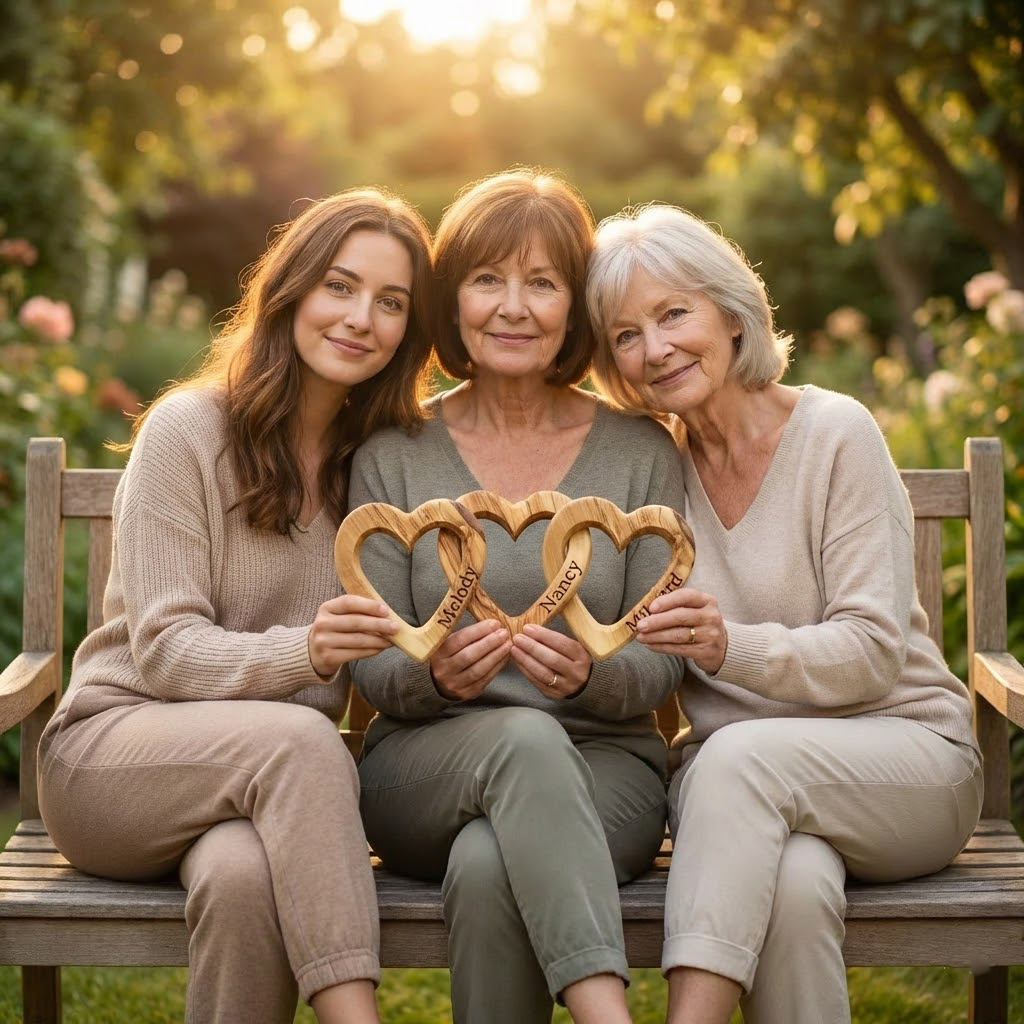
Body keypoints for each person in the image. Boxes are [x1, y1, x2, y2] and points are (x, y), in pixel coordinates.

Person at [36, 186, 435, 1024]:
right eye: (340, 285)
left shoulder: (376, 468)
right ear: (291, 290)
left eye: (390, 301)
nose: (361, 317)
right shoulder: (188, 431)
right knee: (298, 735)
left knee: (244, 878)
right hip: (112, 758)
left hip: (257, 790)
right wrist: (309, 652)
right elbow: (167, 654)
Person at [585, 202, 984, 1024]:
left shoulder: (837, 432)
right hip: (753, 797)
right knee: (796, 888)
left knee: (736, 760)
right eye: (626, 334)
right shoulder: (652, 472)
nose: (655, 349)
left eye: (673, 313)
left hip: (906, 762)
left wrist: (732, 647)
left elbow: (875, 652)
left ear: (731, 313)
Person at [348, 168, 685, 1024]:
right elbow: (372, 658)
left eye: (542, 283)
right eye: (488, 278)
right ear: (452, 299)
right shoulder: (395, 450)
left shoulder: (640, 451)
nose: (513, 307)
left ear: (575, 307)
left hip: (606, 769)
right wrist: (433, 678)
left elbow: (662, 656)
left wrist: (593, 677)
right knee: (521, 738)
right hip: (422, 765)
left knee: (490, 864)